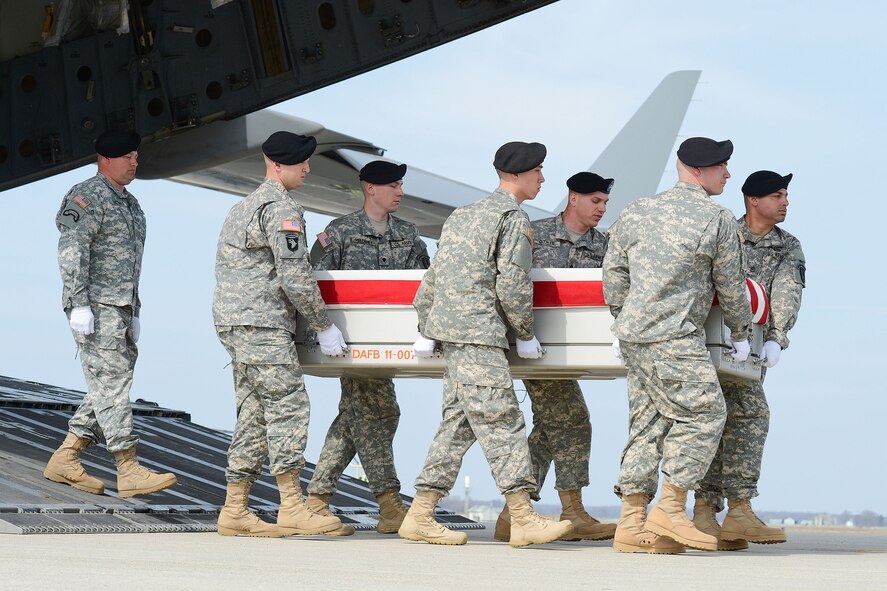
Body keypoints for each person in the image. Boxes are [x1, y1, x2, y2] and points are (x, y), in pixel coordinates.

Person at [400, 141, 573, 548]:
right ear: (519, 175)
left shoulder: (463, 215)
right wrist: (526, 333)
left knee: (458, 426)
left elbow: (434, 277)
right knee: (503, 421)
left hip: (454, 334)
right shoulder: (511, 218)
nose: (543, 179)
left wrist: (426, 324)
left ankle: (420, 513)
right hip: (479, 335)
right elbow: (513, 283)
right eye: (539, 172)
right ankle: (524, 517)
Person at [602, 136, 753, 553]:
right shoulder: (716, 218)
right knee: (705, 412)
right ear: (700, 170)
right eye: (723, 166)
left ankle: (631, 524)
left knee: (648, 424)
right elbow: (731, 287)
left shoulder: (635, 211)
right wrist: (740, 335)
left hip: (634, 335)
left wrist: (624, 319)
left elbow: (613, 276)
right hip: (674, 335)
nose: (727, 173)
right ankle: (670, 507)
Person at [213, 131, 348, 538]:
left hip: (237, 322)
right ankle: (292, 506)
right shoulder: (281, 208)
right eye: (301, 163)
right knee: (288, 406)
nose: (307, 169)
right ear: (278, 165)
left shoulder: (243, 206)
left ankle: (235, 508)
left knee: (254, 413)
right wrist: (324, 326)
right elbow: (295, 274)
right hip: (264, 322)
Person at [44, 129, 177, 499]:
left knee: (110, 383)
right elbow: (71, 249)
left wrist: (134, 309)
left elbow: (131, 263)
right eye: (127, 156)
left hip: (121, 306)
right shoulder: (86, 196)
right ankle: (127, 466)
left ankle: (67, 457)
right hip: (95, 305)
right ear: (105, 160)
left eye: (136, 155)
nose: (135, 161)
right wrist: (78, 303)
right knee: (113, 380)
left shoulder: (131, 204)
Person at [306, 160, 430, 536]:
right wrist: (321, 331)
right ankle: (389, 503)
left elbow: (427, 283)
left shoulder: (409, 235)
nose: (401, 192)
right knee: (380, 413)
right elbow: (311, 280)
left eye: (401, 185)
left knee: (353, 418)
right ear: (370, 188)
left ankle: (317, 499)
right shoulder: (339, 233)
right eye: (393, 185)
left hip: (392, 344)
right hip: (349, 344)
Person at [493, 171, 616, 543]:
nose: (601, 208)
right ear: (573, 198)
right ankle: (571, 511)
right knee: (573, 421)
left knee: (550, 428)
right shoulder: (535, 232)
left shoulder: (606, 245)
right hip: (536, 347)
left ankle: (512, 515)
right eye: (595, 201)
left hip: (574, 352)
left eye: (605, 203)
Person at [693, 170, 805, 548]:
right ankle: (711, 510)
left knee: (742, 417)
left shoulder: (787, 246)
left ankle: (729, 512)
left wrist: (777, 338)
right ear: (753, 200)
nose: (785, 201)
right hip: (707, 342)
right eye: (777, 195)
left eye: (786, 195)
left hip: (749, 351)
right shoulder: (723, 230)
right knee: (714, 420)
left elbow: (786, 291)